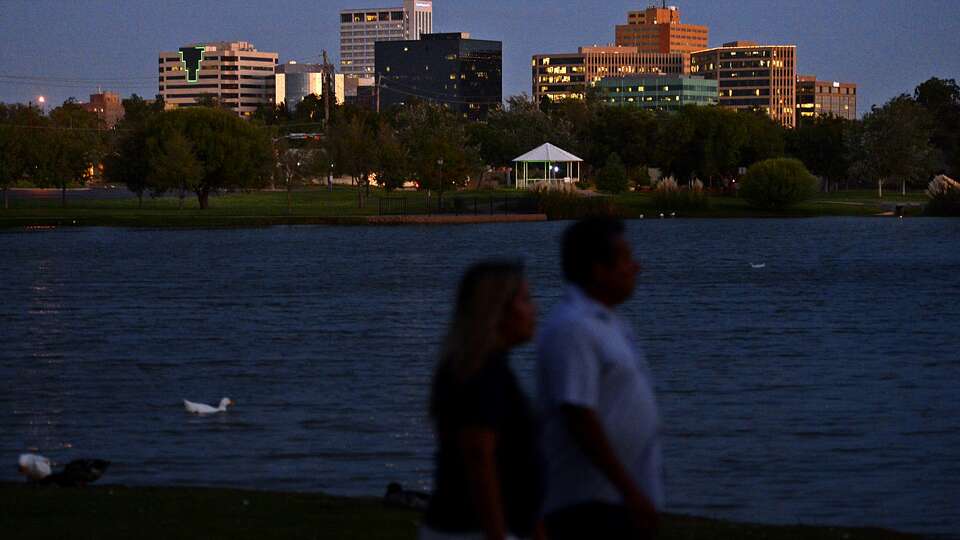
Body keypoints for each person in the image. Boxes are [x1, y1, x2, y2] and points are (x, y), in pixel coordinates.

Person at [536, 217, 663, 540]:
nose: (636, 267)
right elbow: (579, 415)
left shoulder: (609, 323)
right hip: (586, 505)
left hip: (613, 499)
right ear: (597, 270)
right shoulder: (574, 328)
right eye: (625, 259)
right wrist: (628, 488)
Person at [421, 261, 544, 540]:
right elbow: (479, 456)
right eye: (525, 300)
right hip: (472, 530)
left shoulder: (479, 368)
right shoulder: (481, 375)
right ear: (497, 309)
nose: (534, 310)